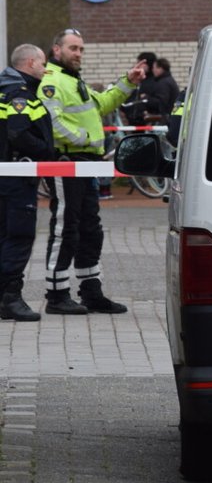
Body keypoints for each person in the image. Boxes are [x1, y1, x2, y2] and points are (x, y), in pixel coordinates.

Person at [39, 29, 147, 315]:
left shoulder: (74, 80)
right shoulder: (51, 82)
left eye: (81, 49)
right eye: (73, 48)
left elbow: (104, 103)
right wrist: (86, 139)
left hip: (85, 164)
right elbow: (54, 124)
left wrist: (128, 82)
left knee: (90, 228)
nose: (78, 53)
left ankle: (91, 291)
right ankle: (56, 293)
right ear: (56, 50)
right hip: (66, 162)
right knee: (66, 228)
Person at [0, 45, 56, 321]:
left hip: (6, 176)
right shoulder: (18, 94)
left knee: (4, 236)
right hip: (16, 178)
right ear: (31, 62)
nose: (45, 69)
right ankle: (10, 298)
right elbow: (19, 133)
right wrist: (46, 153)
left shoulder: (5, 89)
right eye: (43, 63)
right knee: (19, 236)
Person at [124, 51, 157, 124]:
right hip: (132, 119)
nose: (138, 65)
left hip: (147, 121)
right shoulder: (137, 79)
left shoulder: (155, 81)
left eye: (140, 63)